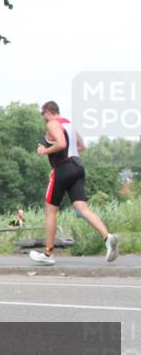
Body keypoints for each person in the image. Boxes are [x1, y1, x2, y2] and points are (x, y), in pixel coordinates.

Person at [30, 101, 119, 265]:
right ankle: (108, 237)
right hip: (78, 167)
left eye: (42, 114)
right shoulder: (69, 124)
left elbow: (61, 144)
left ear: (47, 112)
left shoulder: (52, 124)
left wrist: (44, 151)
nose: (43, 118)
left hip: (63, 168)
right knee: (82, 208)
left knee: (50, 211)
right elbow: (82, 146)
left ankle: (48, 254)